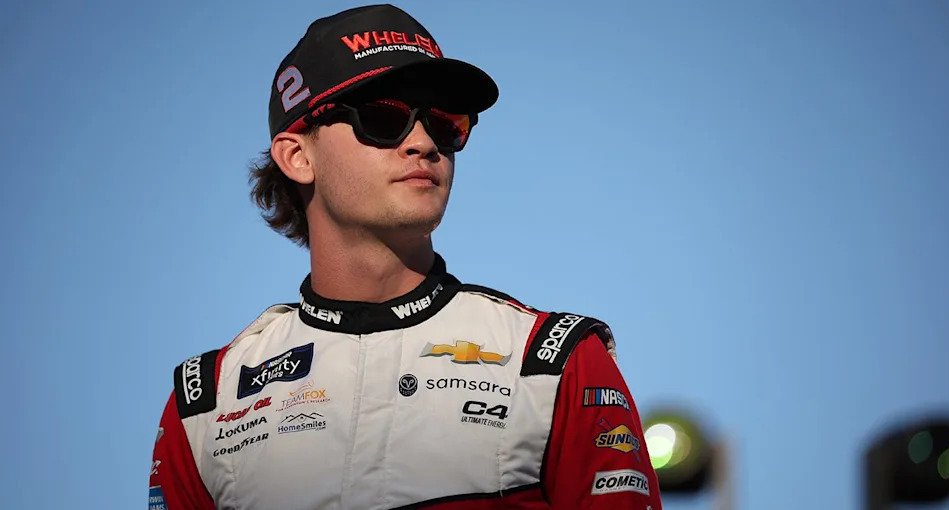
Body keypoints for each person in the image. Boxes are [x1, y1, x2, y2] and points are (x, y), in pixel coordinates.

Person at [149, 4, 662, 509]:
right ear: (298, 157)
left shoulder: (553, 361)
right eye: (383, 117)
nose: (422, 142)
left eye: (446, 124)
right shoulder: (206, 402)